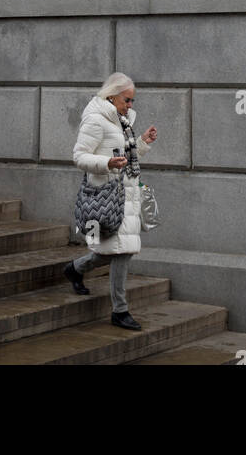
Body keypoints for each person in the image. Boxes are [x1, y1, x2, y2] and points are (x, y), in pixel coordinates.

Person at [66, 73, 157, 330]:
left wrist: (142, 143)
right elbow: (79, 156)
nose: (130, 105)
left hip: (126, 192)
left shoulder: (124, 121)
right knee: (122, 250)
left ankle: (75, 269)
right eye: (127, 100)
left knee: (116, 250)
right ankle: (120, 310)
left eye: (132, 101)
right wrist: (106, 163)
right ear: (111, 95)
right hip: (105, 194)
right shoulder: (96, 120)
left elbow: (127, 155)